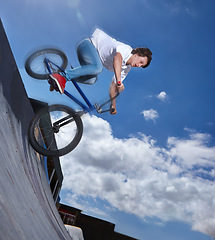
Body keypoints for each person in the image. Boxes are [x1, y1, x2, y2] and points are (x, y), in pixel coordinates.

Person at [49, 28, 152, 114]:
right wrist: (119, 82)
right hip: (87, 45)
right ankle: (62, 76)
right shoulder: (126, 49)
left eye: (141, 66)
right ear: (137, 54)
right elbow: (117, 59)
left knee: (91, 80)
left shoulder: (126, 69)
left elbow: (113, 87)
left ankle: (58, 79)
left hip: (91, 58)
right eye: (141, 61)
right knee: (98, 68)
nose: (138, 65)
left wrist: (113, 105)